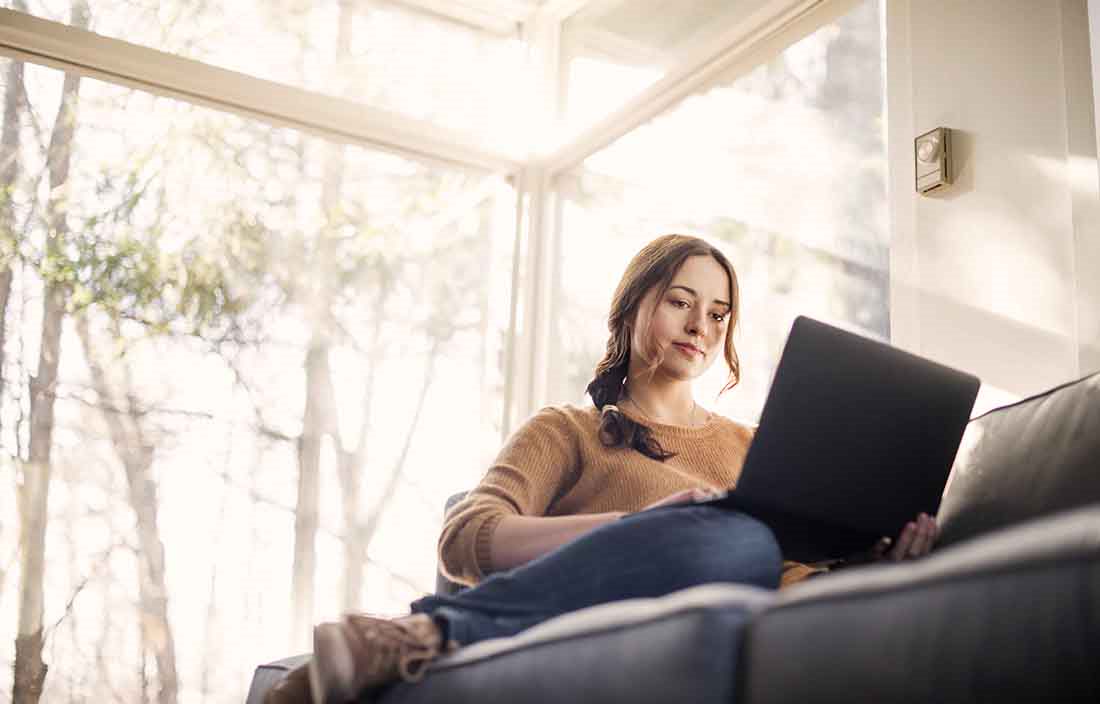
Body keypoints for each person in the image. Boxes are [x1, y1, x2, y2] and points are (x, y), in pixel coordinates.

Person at [266, 234, 938, 704]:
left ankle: (422, 633)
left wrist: (874, 566)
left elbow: (785, 584)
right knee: (730, 534)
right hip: (613, 611)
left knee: (748, 544)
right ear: (634, 305)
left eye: (719, 312)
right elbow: (465, 536)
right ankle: (421, 634)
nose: (701, 324)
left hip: (736, 612)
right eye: (681, 300)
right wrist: (634, 526)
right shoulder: (568, 431)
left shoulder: (758, 447)